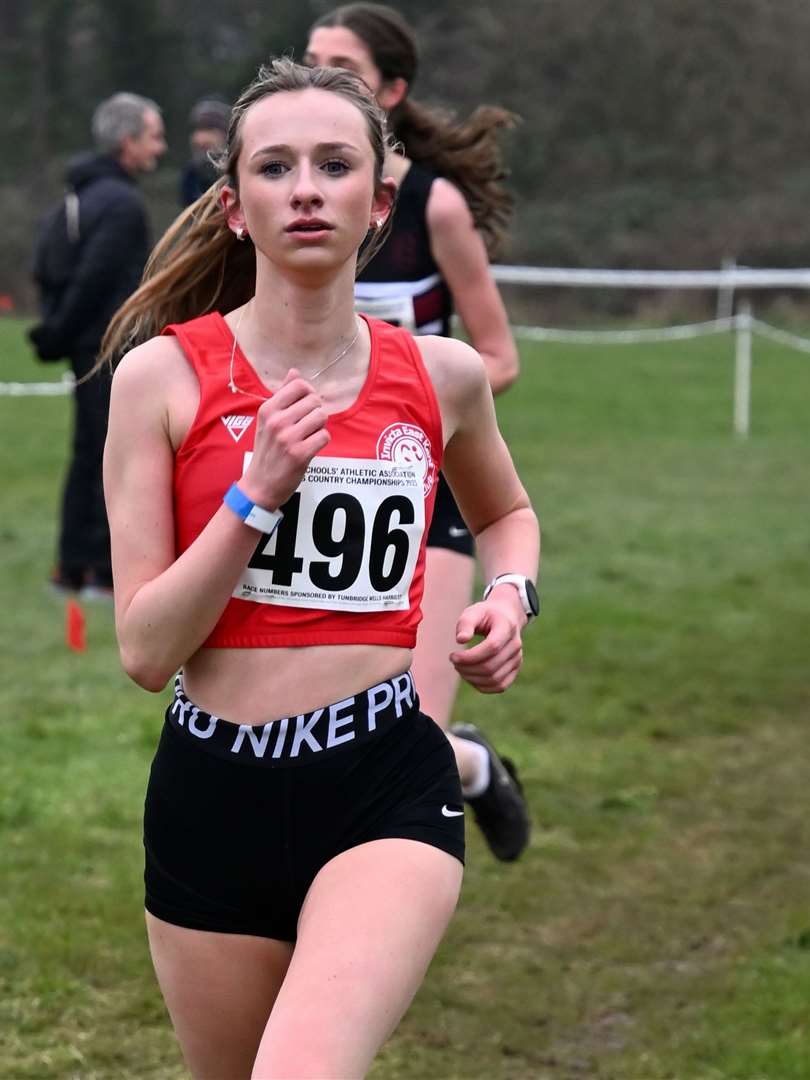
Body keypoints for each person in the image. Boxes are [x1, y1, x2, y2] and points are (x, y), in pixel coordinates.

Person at [101, 58, 540, 1078]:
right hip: (211, 794)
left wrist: (511, 597)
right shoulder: (160, 380)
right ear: (236, 207)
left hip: (382, 777)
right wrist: (253, 498)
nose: (306, 187)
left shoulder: (443, 377)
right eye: (277, 166)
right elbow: (143, 647)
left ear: (379, 203)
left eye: (335, 164)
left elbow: (508, 514)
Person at [306, 3, 531, 862]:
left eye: (346, 66)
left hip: (419, 476)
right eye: (312, 59)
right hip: (312, 479)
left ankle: (466, 766)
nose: (322, 75)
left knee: (411, 730)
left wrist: (413, 394)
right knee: (320, 717)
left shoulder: (431, 208)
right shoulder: (294, 198)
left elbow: (498, 355)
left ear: (392, 91)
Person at [28, 92, 167, 597]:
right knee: (116, 457)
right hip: (108, 348)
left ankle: (73, 565)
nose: (161, 147)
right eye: (154, 135)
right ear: (127, 142)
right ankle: (101, 572)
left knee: (88, 450)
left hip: (84, 345)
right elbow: (95, 279)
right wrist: (64, 332)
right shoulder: (123, 204)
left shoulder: (80, 195)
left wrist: (55, 334)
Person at [180, 97, 231, 206]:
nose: (199, 138)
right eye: (198, 130)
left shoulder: (238, 173)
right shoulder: (191, 174)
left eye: (209, 130)